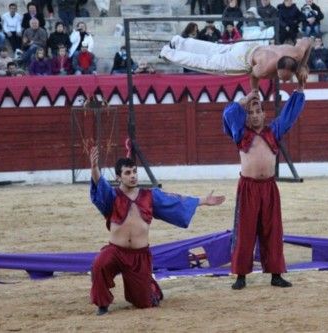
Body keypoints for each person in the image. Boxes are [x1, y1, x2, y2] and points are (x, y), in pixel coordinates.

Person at [88, 147, 225, 315]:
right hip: (115, 251)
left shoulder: (149, 196)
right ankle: (102, 305)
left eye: (134, 172)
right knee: (99, 264)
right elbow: (100, 187)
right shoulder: (112, 196)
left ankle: (150, 288)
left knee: (145, 303)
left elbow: (174, 202)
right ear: (118, 177)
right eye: (127, 173)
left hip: (139, 257)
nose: (132, 176)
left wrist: (203, 200)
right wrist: (94, 168)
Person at [222, 84, 305, 290]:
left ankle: (276, 274)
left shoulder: (273, 132)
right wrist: (246, 98)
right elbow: (229, 113)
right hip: (248, 188)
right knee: (245, 231)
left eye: (258, 111)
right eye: (250, 112)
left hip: (269, 187)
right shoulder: (240, 133)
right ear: (246, 117)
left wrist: (300, 89)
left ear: (264, 113)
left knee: (272, 230)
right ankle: (240, 276)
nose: (255, 116)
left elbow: (289, 115)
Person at [160, 36, 312, 90]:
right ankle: (168, 52)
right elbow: (253, 74)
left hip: (249, 47)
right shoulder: (265, 69)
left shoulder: (297, 52)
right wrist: (254, 93)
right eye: (281, 77)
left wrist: (304, 65)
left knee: (214, 49)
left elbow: (308, 41)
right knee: (206, 63)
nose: (282, 80)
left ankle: (179, 42)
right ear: (277, 68)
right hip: (241, 61)